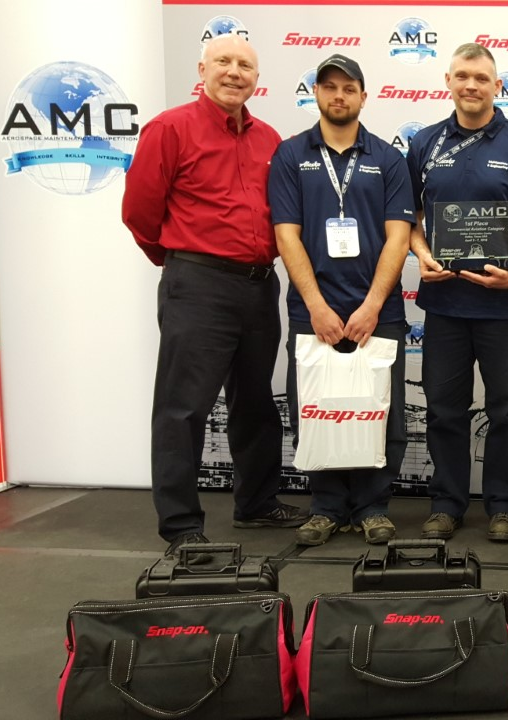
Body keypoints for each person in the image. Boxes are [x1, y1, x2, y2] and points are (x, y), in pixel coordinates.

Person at [122, 33, 308, 559]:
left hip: (257, 284)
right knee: (184, 408)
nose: (234, 72)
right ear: (202, 68)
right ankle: (180, 525)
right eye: (223, 62)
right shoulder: (170, 128)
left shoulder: (271, 138)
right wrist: (181, 262)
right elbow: (139, 211)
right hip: (198, 283)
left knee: (254, 403)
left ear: (257, 78)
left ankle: (256, 502)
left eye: (245, 65)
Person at [405, 43, 508, 543]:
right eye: (462, 76)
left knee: (507, 410)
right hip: (445, 307)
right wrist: (422, 255)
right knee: (444, 408)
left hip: (505, 308)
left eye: (482, 77)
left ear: (498, 86)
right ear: (448, 81)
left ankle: (502, 504)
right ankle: (447, 502)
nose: (471, 85)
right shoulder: (424, 144)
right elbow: (407, 220)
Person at [267, 55, 414, 546]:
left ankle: (373, 507)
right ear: (316, 94)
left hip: (380, 313)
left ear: (363, 96)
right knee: (316, 411)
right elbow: (286, 235)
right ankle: (326, 507)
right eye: (329, 87)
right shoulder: (291, 156)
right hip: (315, 313)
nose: (338, 96)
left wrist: (372, 305)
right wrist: (316, 306)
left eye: (348, 87)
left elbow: (399, 238)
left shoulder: (388, 159)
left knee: (381, 412)